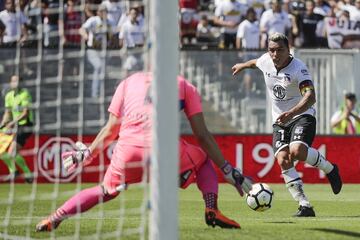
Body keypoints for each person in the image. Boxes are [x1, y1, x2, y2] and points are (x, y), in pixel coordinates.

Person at [35, 72, 253, 231]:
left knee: (105, 190)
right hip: (166, 150)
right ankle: (211, 209)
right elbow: (202, 136)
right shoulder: (185, 85)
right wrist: (227, 169)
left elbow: (111, 129)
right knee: (203, 159)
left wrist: (87, 154)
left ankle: (54, 218)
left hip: (128, 150)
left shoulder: (128, 82)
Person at [231, 32, 342, 217]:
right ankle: (304, 205)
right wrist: (242, 66)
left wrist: (291, 112)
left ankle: (330, 169)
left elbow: (310, 97)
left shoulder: (299, 68)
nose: (275, 54)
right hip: (280, 121)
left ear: (288, 50)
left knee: (297, 151)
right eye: (271, 50)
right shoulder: (266, 60)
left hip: (302, 115)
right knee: (283, 159)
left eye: (279, 50)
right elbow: (255, 63)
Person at [0, 75, 34, 183]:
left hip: (25, 125)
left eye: (18, 81)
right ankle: (19, 173)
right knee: (2, 152)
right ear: (10, 83)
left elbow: (25, 113)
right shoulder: (9, 96)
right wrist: (2, 125)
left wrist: (12, 123)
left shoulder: (25, 94)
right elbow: (7, 113)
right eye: (13, 81)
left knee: (12, 152)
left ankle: (17, 173)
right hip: (15, 126)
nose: (15, 83)